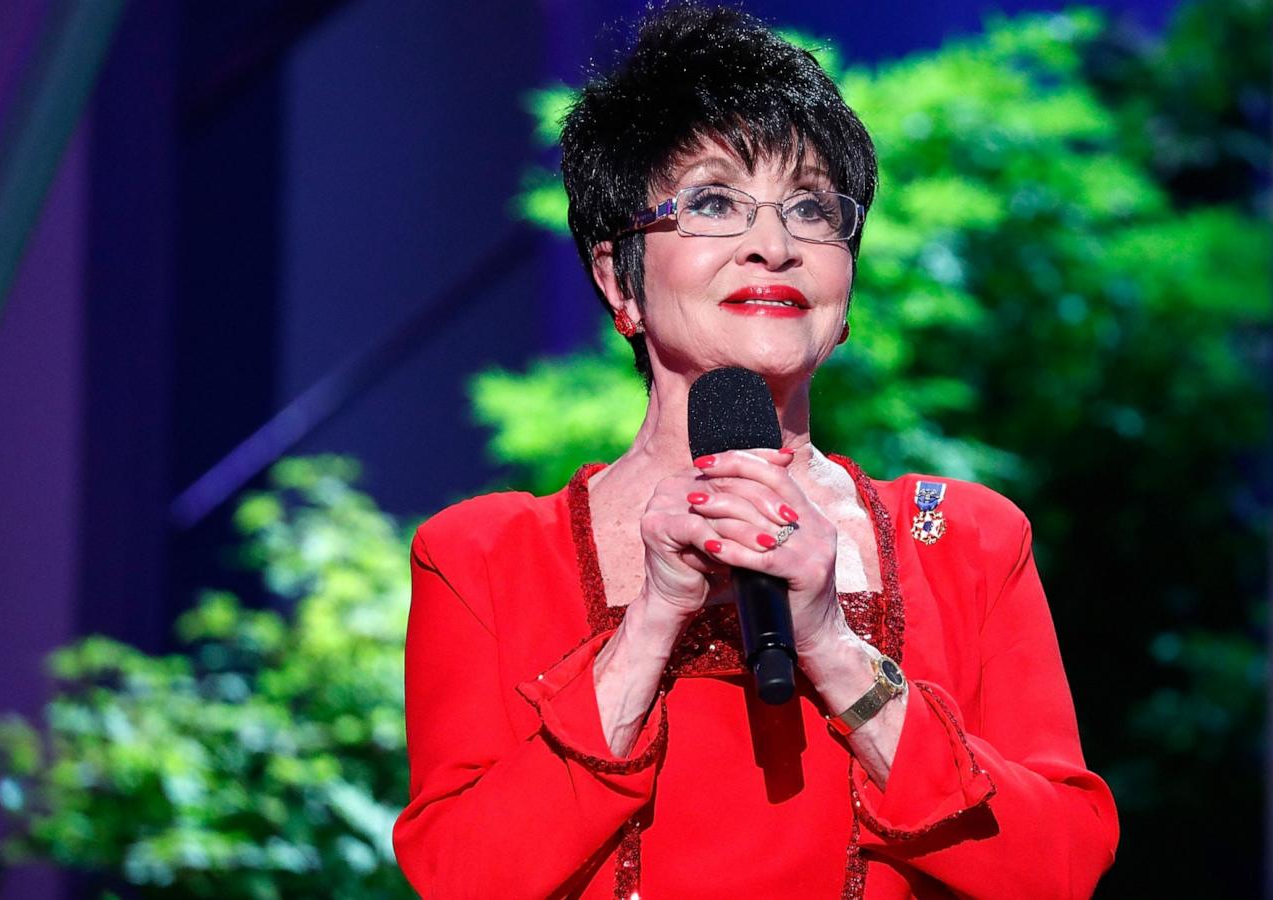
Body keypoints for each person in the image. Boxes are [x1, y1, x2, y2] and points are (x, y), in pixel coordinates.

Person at [391, 4, 1118, 897]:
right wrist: (653, 618)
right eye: (712, 202)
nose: (772, 246)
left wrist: (832, 644)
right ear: (619, 275)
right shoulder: (486, 558)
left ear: (846, 290)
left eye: (812, 209)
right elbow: (462, 876)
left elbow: (1061, 865)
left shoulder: (963, 541)